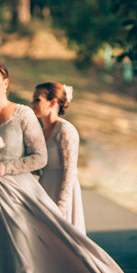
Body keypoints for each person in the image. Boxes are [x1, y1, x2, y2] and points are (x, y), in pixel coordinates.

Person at [0, 60, 137, 273]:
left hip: (17, 196)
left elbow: (39, 157)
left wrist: (3, 168)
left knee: (23, 264)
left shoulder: (22, 114)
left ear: (6, 83)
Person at [33, 81, 85, 231]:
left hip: (61, 191)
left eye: (37, 99)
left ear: (52, 103)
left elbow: (70, 170)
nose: (32, 104)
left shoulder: (65, 130)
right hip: (45, 188)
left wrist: (62, 205)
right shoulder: (42, 132)